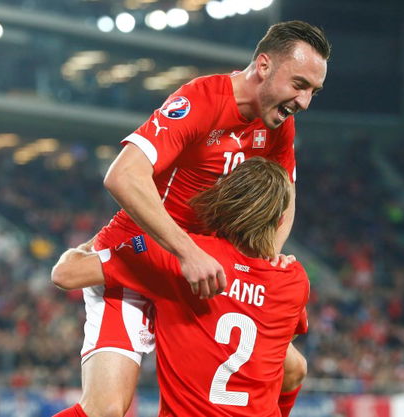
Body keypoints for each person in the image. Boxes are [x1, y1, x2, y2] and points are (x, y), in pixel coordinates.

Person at [71, 20, 330, 417]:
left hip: (206, 272)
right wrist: (188, 252)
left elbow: (284, 197)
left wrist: (260, 262)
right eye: (299, 84)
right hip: (146, 258)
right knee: (106, 409)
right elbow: (122, 175)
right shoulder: (202, 99)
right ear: (263, 66)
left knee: (293, 370)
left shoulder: (279, 123)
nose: (305, 101)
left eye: (313, 91)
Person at [52, 157, 310, 417]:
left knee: (101, 411)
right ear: (278, 222)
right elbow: (282, 340)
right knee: (295, 366)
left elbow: (66, 274)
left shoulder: (184, 258)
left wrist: (95, 243)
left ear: (220, 200)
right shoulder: (293, 280)